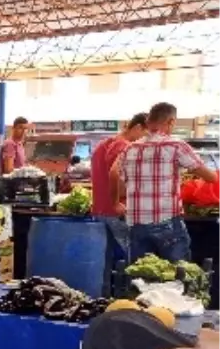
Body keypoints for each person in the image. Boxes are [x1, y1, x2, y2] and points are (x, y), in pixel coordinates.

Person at [121, 101, 216, 263]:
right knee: (179, 275)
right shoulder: (176, 145)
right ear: (171, 121)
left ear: (148, 121)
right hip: (167, 223)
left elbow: (123, 186)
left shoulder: (130, 149)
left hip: (136, 224)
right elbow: (211, 177)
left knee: (141, 277)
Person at [91, 113, 148, 261]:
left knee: (106, 260)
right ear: (138, 127)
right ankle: (127, 285)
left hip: (101, 209)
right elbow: (117, 177)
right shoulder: (125, 146)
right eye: (146, 134)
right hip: (118, 211)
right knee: (133, 259)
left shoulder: (103, 144)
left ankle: (110, 285)